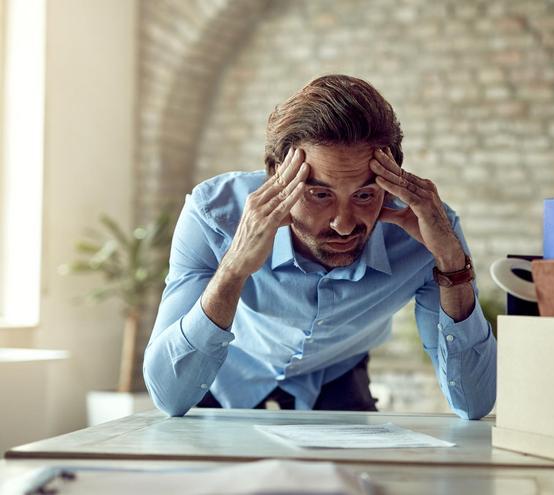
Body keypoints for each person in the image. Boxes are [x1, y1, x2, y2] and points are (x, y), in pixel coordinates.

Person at [143, 74, 496, 420]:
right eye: (319, 194)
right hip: (222, 370)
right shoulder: (213, 214)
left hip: (337, 372)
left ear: (390, 185)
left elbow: (474, 404)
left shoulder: (429, 231)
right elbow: (169, 397)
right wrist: (234, 267)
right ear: (276, 176)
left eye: (364, 194)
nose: (343, 223)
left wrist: (452, 264)